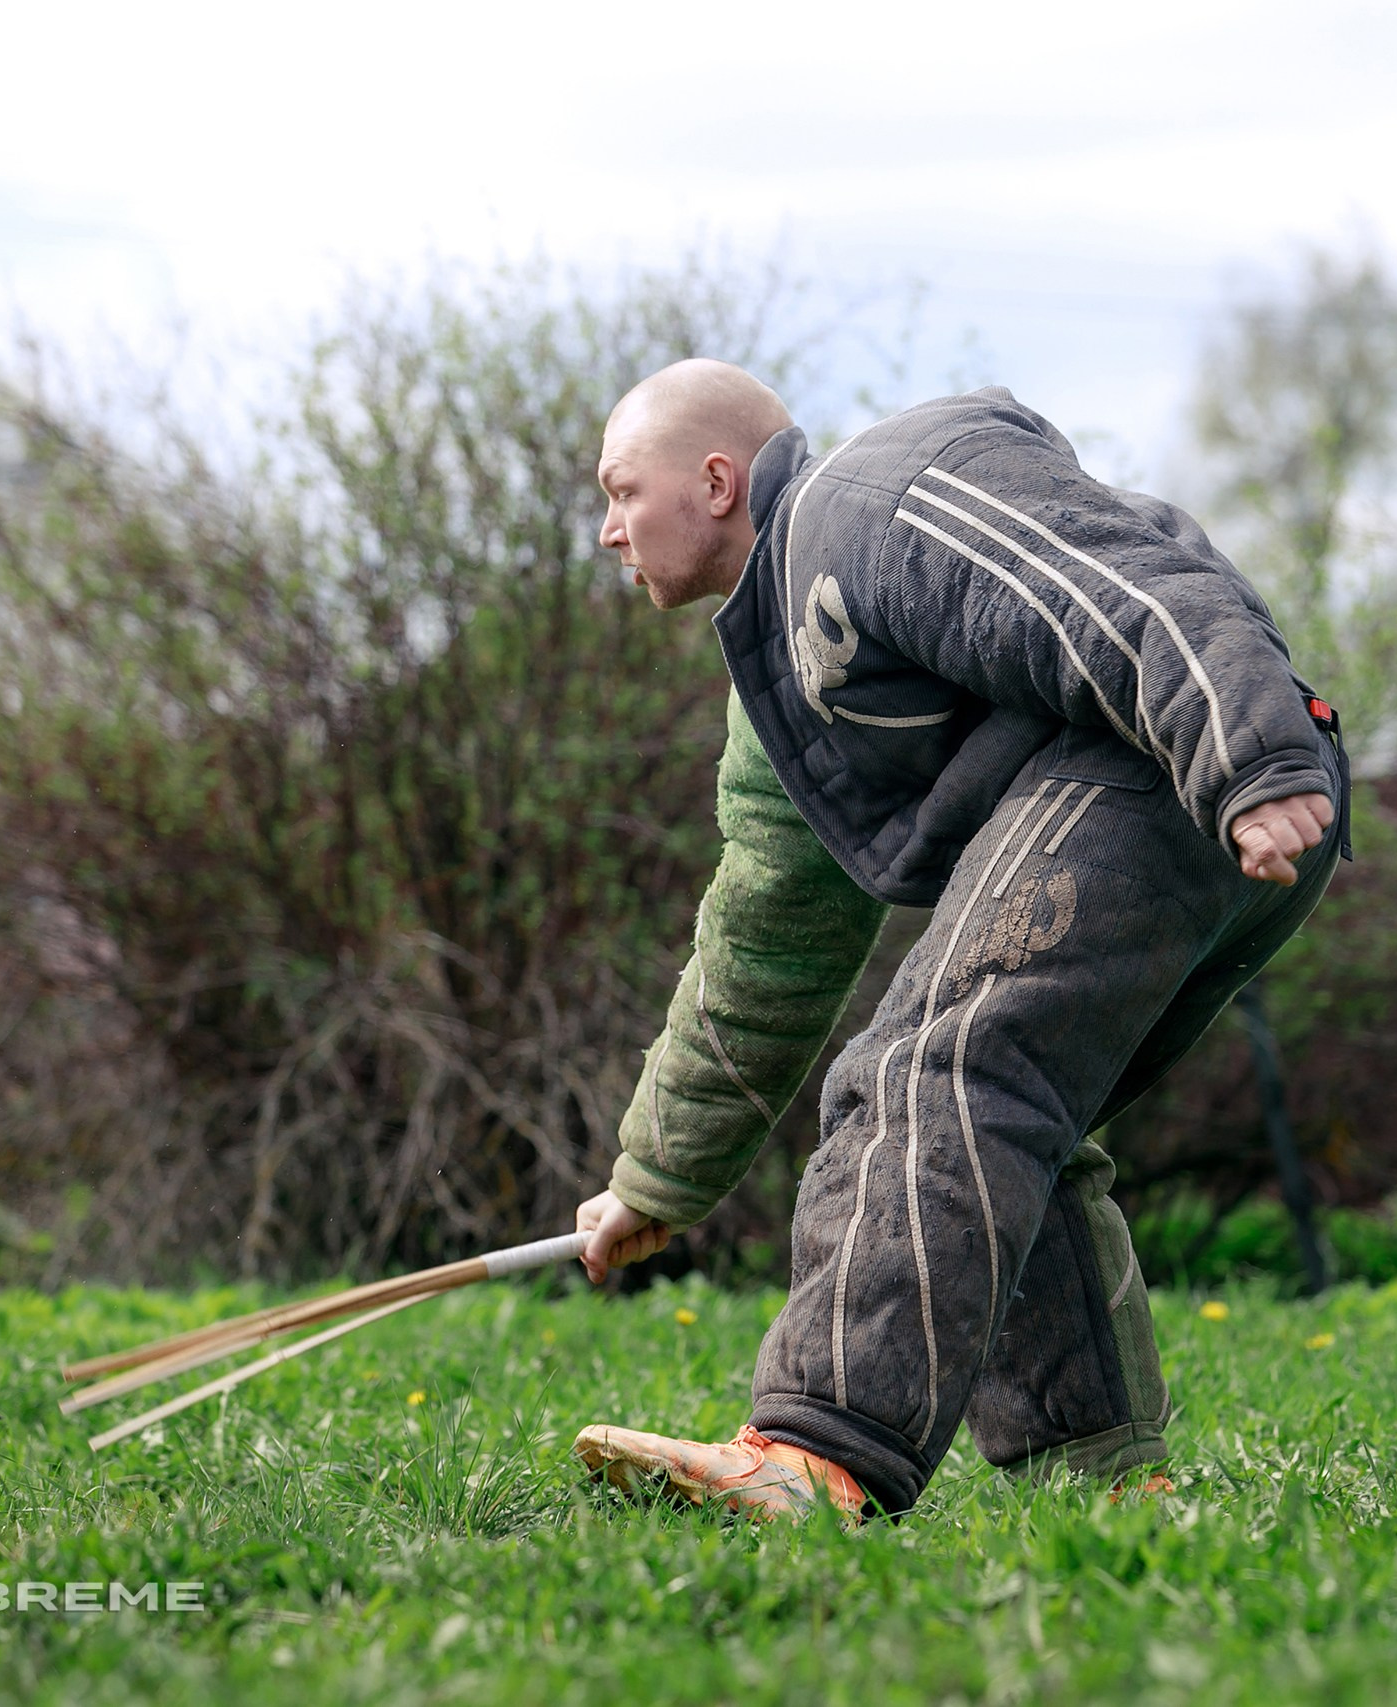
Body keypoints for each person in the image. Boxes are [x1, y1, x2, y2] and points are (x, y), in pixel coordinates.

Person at [572, 359, 1345, 1520]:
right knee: (1008, 1118)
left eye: (621, 491)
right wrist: (657, 1176)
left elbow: (1108, 576)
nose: (607, 531)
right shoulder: (777, 695)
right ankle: (1103, 1479)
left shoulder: (870, 497)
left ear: (717, 483)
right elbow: (761, 949)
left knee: (930, 1078)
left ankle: (813, 1457)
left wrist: (1249, 755)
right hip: (1210, 792)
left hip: (1191, 765)